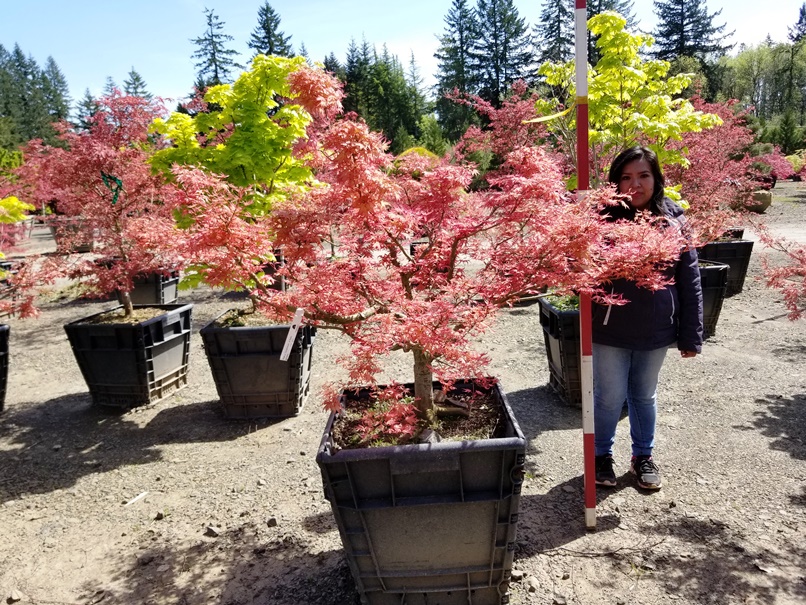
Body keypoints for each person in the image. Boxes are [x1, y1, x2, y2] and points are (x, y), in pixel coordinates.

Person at [593, 146, 703, 490]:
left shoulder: (674, 221)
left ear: (657, 180)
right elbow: (580, 272)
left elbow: (691, 279)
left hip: (657, 330)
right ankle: (599, 456)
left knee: (643, 395)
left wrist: (691, 335)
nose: (634, 185)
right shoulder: (601, 221)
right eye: (625, 177)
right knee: (609, 396)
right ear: (615, 182)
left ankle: (643, 456)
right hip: (610, 328)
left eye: (643, 176)